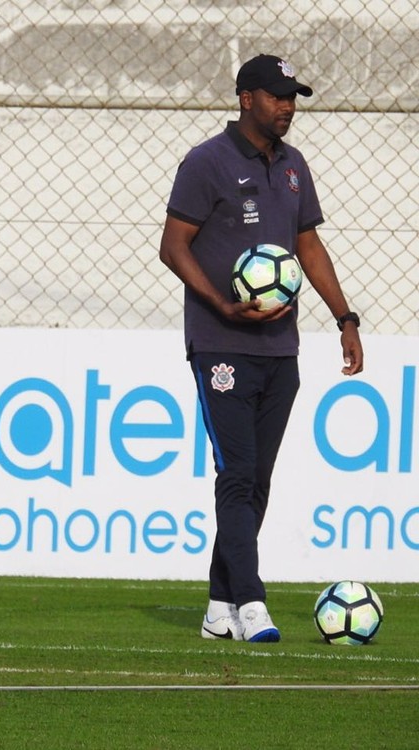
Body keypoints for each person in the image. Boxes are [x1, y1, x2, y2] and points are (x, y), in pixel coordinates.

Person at [158, 54, 363, 642]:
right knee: (238, 472)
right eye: (277, 96)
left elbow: (308, 247)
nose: (287, 107)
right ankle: (251, 602)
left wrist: (344, 318)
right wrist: (221, 305)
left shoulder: (294, 166)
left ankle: (219, 604)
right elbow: (174, 246)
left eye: (293, 97)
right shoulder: (206, 162)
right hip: (221, 343)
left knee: (259, 479)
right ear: (246, 97)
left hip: (281, 346)